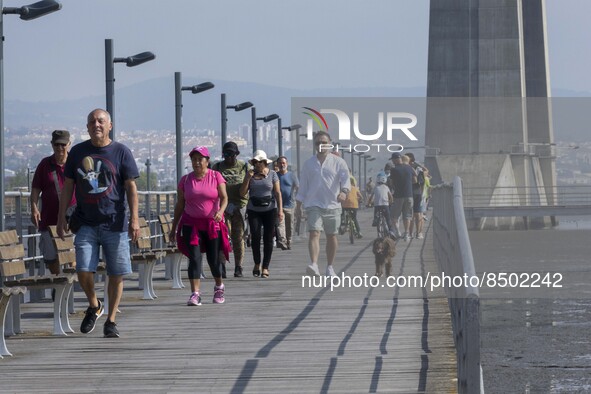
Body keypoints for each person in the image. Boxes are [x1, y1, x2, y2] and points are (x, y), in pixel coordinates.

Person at [57, 108, 140, 338]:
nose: (97, 125)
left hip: (115, 223)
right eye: (93, 122)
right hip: (85, 223)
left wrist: (134, 219)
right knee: (83, 270)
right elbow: (67, 188)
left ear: (110, 125)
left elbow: (131, 188)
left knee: (116, 273)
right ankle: (95, 305)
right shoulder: (77, 152)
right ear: (87, 127)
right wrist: (60, 217)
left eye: (101, 121)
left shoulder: (121, 152)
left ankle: (111, 321)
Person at [169, 146, 230, 306]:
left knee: (213, 259)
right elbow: (180, 205)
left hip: (212, 224)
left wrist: (220, 212)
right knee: (194, 258)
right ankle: (195, 293)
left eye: (200, 159)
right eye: (194, 159)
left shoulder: (216, 176)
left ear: (207, 161)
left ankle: (219, 286)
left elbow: (224, 198)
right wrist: (174, 227)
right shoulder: (186, 180)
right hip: (191, 224)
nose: (196, 162)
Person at [296, 131, 351, 277]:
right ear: (314, 145)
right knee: (314, 233)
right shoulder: (308, 164)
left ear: (329, 144)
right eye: (317, 143)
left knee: (331, 236)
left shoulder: (339, 162)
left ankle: (330, 267)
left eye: (324, 142)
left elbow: (346, 180)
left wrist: (344, 192)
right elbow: (303, 186)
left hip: (333, 204)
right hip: (313, 204)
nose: (321, 145)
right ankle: (314, 264)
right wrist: (298, 206)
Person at [31, 130, 77, 277]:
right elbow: (35, 189)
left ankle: (67, 286)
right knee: (51, 258)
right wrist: (34, 208)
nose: (60, 148)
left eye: (63, 144)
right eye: (57, 144)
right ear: (52, 145)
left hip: (71, 219)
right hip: (49, 219)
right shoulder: (45, 164)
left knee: (71, 255)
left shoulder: (75, 163)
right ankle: (58, 282)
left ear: (69, 144)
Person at [239, 150, 283, 278]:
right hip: (254, 210)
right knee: (256, 237)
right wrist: (247, 178)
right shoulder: (250, 175)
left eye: (259, 162)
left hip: (270, 209)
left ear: (265, 163)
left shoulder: (273, 174)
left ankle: (265, 267)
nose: (257, 164)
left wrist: (280, 210)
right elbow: (242, 193)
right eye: (255, 162)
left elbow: (277, 193)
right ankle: (257, 263)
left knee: (269, 239)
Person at [212, 141, 249, 278]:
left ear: (236, 154)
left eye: (232, 154)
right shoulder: (217, 167)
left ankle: (238, 266)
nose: (229, 157)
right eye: (226, 154)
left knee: (238, 237)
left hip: (239, 206)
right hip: (223, 207)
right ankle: (222, 265)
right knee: (223, 236)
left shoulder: (244, 167)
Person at [388, 152, 416, 241]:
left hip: (398, 195)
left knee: (394, 216)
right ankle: (407, 234)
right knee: (407, 216)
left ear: (395, 159)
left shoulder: (394, 169)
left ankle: (397, 232)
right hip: (409, 195)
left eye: (392, 160)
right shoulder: (409, 168)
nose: (392, 162)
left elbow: (391, 183)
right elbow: (415, 180)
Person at [275, 156, 299, 250]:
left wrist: (298, 198)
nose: (282, 165)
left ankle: (289, 241)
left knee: (290, 225)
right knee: (280, 224)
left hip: (290, 204)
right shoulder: (275, 175)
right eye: (280, 163)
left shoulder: (292, 175)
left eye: (284, 163)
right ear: (277, 164)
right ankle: (282, 241)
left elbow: (297, 187)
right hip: (278, 205)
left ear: (287, 164)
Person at [406, 152, 428, 239]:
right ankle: (419, 233)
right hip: (418, 193)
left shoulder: (407, 168)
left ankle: (410, 233)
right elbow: (426, 173)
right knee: (418, 214)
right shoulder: (418, 168)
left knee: (410, 214)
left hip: (410, 193)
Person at [369, 172, 397, 237]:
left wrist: (369, 203)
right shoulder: (386, 187)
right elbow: (391, 197)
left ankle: (375, 220)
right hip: (385, 205)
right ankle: (391, 231)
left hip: (377, 206)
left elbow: (371, 197)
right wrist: (391, 202)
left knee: (376, 214)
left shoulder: (375, 187)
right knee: (388, 219)